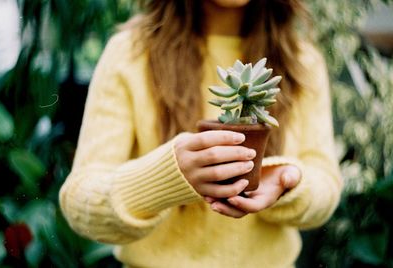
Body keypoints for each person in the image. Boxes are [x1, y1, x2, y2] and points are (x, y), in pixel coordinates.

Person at [59, 0, 343, 267]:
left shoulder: (301, 60)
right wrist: (167, 176)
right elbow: (80, 198)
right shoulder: (129, 54)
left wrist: (286, 183)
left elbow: (326, 182)